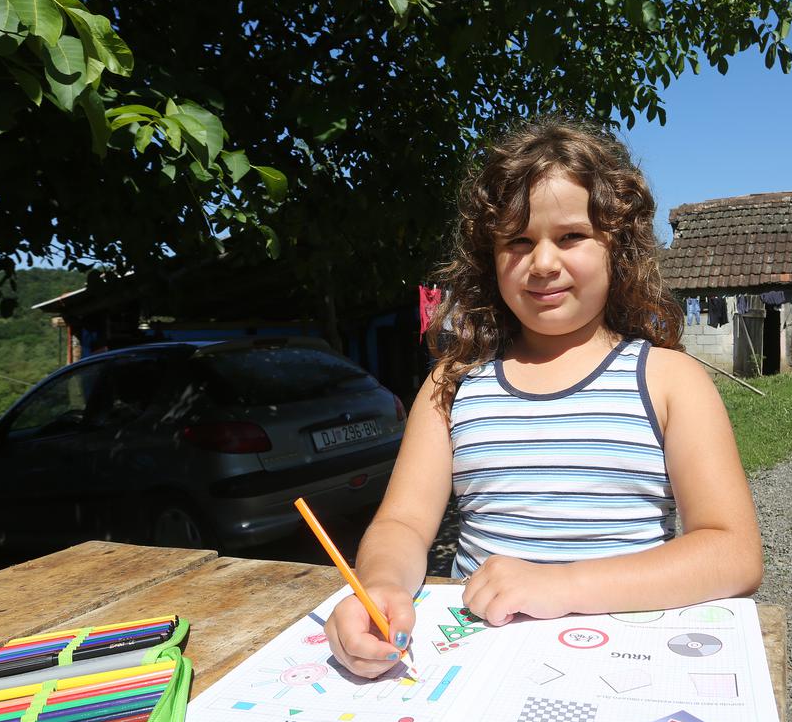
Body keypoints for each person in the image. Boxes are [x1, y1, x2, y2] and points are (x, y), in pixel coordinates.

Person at [325, 118, 763, 678]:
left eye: (572, 236)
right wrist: (382, 586)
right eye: (518, 241)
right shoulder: (453, 385)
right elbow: (403, 525)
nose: (543, 263)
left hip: (627, 668)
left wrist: (561, 585)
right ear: (490, 259)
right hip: (480, 669)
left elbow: (732, 552)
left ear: (617, 247)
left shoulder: (670, 380)